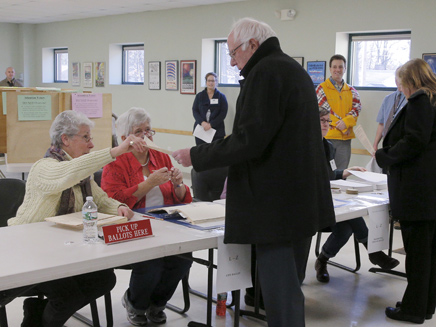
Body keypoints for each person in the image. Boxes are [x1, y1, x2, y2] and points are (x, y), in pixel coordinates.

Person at [173, 18, 335, 327]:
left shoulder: (266, 73)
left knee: (281, 293)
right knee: (289, 290)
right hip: (298, 201)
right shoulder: (290, 69)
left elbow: (250, 140)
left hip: (276, 206)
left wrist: (196, 155)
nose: (232, 62)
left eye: (233, 52)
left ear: (253, 45)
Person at [8, 110, 139, 327]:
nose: (90, 145)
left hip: (62, 250)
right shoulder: (45, 167)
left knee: (104, 279)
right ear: (65, 139)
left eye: (91, 138)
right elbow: (68, 173)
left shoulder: (82, 173)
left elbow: (99, 199)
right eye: (86, 137)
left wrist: (119, 207)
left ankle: (37, 311)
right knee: (68, 295)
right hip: (28, 253)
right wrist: (115, 151)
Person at [101, 107, 193, 326]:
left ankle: (157, 304)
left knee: (183, 258)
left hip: (165, 223)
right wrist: (148, 183)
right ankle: (136, 304)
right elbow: (113, 202)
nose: (146, 136)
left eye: (149, 130)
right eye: (139, 131)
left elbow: (182, 199)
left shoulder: (160, 156)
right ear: (124, 138)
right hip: (132, 226)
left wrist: (179, 183)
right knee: (152, 260)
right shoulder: (114, 163)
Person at [376, 58, 436, 324]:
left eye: (402, 82)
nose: (401, 88)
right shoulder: (433, 99)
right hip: (428, 191)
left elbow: (414, 140)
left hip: (417, 191)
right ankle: (423, 304)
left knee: (418, 255)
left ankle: (412, 310)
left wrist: (385, 155)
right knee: (429, 254)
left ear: (412, 80)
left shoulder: (421, 101)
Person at [315, 108, 399, 283]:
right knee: (351, 220)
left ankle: (322, 260)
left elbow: (329, 174)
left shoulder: (328, 146)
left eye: (327, 121)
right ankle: (372, 250)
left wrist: (346, 172)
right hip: (313, 203)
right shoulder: (306, 146)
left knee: (346, 226)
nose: (326, 125)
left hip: (330, 199)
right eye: (322, 121)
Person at [316, 54, 362, 170]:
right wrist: (343, 126)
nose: (338, 70)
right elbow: (324, 112)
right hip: (327, 137)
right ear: (330, 69)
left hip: (344, 141)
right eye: (335, 67)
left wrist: (346, 124)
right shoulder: (321, 89)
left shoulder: (352, 91)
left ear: (345, 69)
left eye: (341, 67)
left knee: (342, 174)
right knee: (325, 172)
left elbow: (356, 110)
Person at [373, 67, 407, 152]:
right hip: (387, 143)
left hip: (402, 144)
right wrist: (375, 144)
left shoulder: (410, 99)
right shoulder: (388, 99)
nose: (399, 83)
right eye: (398, 79)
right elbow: (381, 123)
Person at [192, 72, 228, 145]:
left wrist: (211, 124)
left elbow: (223, 113)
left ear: (216, 82)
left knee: (216, 153)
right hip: (201, 130)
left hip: (216, 131)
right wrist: (202, 123)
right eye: (209, 81)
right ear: (206, 82)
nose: (210, 83)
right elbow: (195, 111)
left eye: (213, 81)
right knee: (201, 152)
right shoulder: (199, 96)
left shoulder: (221, 97)